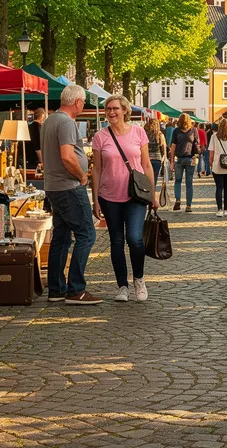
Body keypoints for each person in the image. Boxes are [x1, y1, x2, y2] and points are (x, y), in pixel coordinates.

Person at [91, 95, 156, 303]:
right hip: (109, 196)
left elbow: (146, 165)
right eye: (108, 109)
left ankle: (139, 279)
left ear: (125, 110)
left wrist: (153, 193)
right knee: (116, 241)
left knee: (134, 238)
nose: (111, 112)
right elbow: (97, 169)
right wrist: (95, 199)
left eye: (115, 108)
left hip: (135, 194)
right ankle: (122, 286)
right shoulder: (100, 137)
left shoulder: (138, 132)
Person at [43, 84, 102, 305]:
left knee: (61, 237)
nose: (83, 106)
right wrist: (82, 176)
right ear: (77, 102)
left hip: (55, 186)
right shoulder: (66, 122)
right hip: (68, 186)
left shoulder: (50, 120)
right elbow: (67, 157)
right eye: (83, 103)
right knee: (86, 234)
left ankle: (56, 289)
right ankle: (76, 289)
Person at [169, 114, 198, 212]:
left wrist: (172, 161)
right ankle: (188, 206)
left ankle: (178, 200)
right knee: (189, 183)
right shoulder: (193, 130)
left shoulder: (176, 131)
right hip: (189, 158)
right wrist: (196, 156)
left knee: (178, 181)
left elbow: (173, 147)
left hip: (180, 159)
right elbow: (197, 145)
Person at [144, 118, 167, 184]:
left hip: (147, 159)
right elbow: (163, 148)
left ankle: (147, 193)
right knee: (154, 180)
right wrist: (164, 158)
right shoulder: (160, 135)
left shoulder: (145, 134)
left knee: (146, 180)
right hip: (157, 159)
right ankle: (152, 193)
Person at [25, 104, 45, 171]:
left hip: (28, 157)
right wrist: (41, 160)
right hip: (36, 159)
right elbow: (38, 145)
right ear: (42, 116)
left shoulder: (28, 127)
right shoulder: (38, 127)